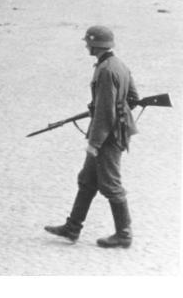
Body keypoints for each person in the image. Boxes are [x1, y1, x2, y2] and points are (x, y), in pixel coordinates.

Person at [44, 26, 140, 248]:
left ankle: (124, 235)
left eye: (88, 42)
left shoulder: (106, 70)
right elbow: (133, 98)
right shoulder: (119, 65)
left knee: (111, 185)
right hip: (112, 130)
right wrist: (118, 110)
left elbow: (106, 110)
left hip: (108, 137)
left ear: (96, 45)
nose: (86, 45)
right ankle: (72, 227)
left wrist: (95, 142)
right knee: (87, 181)